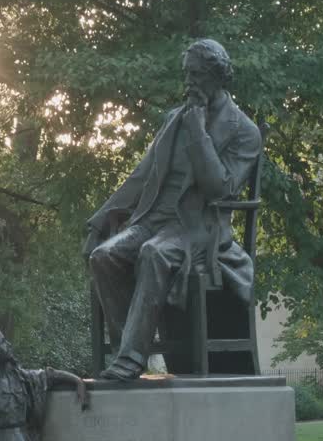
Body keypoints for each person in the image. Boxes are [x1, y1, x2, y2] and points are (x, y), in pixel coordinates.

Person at [85, 39, 263, 381]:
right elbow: (140, 177)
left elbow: (219, 187)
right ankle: (128, 350)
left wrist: (198, 131)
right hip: (153, 220)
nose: (189, 83)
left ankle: (130, 359)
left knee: (154, 253)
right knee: (103, 256)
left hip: (198, 228)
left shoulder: (244, 131)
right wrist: (98, 222)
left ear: (217, 76)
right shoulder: (173, 119)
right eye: (186, 74)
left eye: (196, 75)